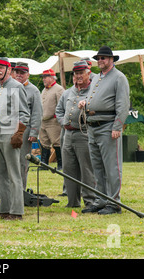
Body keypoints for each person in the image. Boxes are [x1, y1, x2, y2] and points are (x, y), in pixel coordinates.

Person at [78, 46, 130, 215]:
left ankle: (114, 202)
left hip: (108, 126)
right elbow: (95, 97)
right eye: (99, 58)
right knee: (97, 167)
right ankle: (101, 199)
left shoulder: (119, 78)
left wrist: (117, 126)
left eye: (104, 58)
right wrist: (86, 102)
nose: (100, 60)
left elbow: (123, 105)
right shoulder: (98, 78)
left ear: (112, 60)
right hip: (93, 126)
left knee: (112, 167)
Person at [0, 57, 29, 220]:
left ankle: (16, 211)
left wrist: (19, 133)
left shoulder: (17, 86)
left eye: (1, 67)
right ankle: (5, 210)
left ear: (9, 70)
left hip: (11, 133)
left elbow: (25, 113)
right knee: (0, 174)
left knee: (14, 174)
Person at [55, 60, 96, 209]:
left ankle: (91, 201)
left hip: (83, 134)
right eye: (75, 74)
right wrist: (63, 122)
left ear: (88, 73)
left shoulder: (93, 91)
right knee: (68, 169)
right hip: (67, 134)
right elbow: (58, 110)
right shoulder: (68, 92)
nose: (78, 76)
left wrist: (87, 108)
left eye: (81, 73)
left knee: (86, 170)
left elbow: (98, 109)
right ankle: (73, 202)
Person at [12, 62, 43, 190]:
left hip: (25, 129)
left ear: (28, 74)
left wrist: (34, 132)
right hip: (10, 128)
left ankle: (21, 191)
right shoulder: (11, 87)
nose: (19, 75)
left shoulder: (33, 90)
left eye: (22, 73)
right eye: (17, 72)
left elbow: (37, 112)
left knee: (21, 162)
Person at [39, 69, 64, 170]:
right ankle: (44, 164)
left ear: (52, 77)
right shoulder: (44, 89)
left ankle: (61, 164)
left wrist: (59, 119)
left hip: (54, 121)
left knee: (57, 142)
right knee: (44, 143)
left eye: (45, 77)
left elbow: (61, 106)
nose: (44, 79)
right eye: (43, 77)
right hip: (43, 121)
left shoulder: (59, 89)